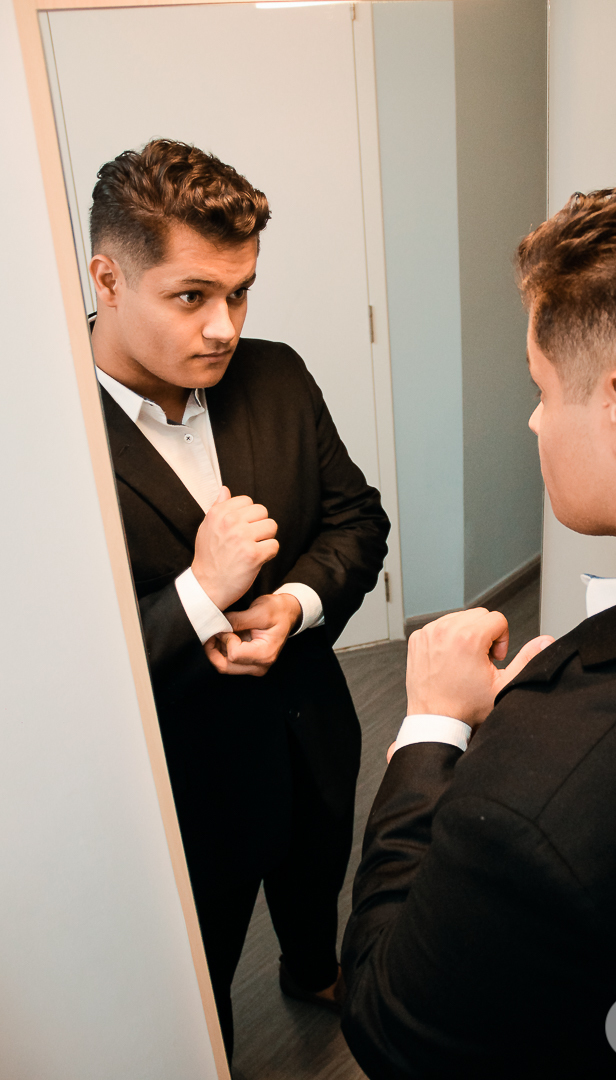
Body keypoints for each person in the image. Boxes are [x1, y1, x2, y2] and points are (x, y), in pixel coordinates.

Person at [340, 169, 616, 1076]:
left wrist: (434, 723)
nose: (533, 420)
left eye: (542, 387)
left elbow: (390, 1021)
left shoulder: (531, 804)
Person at [87, 138, 390, 1059]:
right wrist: (199, 592)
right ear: (108, 278)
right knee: (200, 976)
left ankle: (311, 967)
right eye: (192, 297)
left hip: (309, 730)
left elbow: (357, 520)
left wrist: (294, 602)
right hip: (182, 787)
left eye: (241, 292)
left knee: (315, 880)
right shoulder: (44, 433)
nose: (224, 327)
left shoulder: (278, 374)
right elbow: (60, 672)